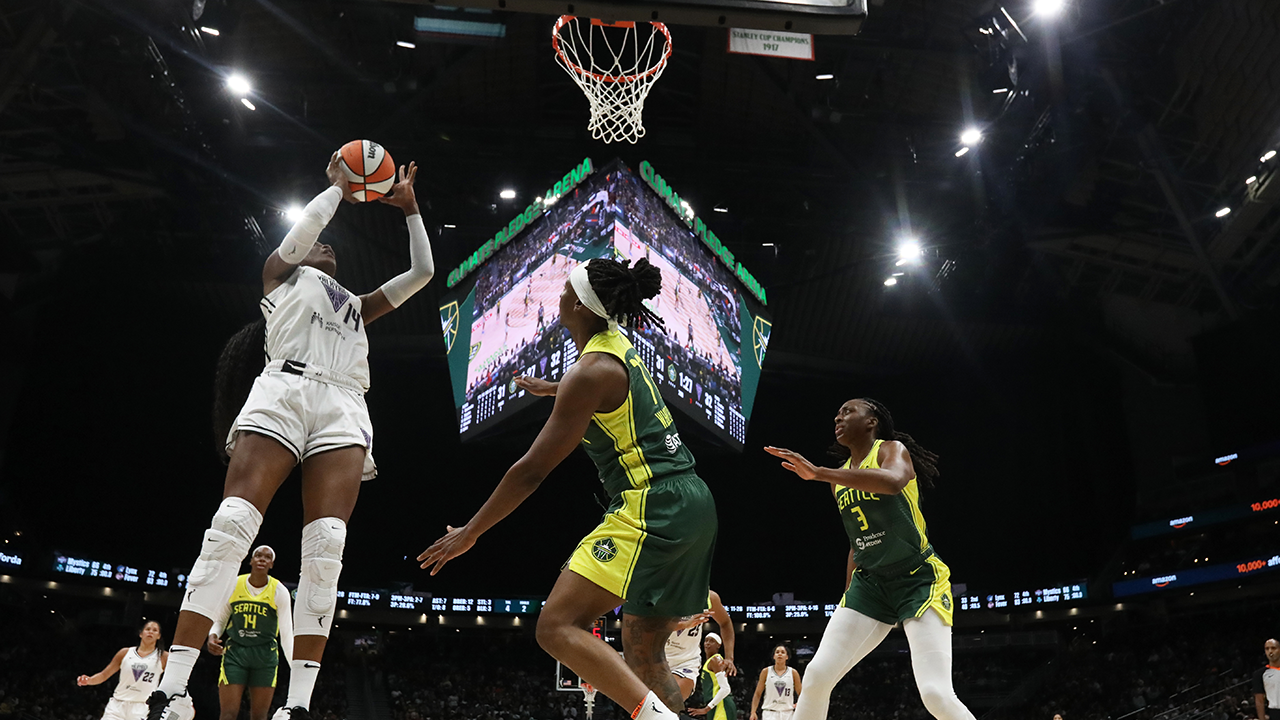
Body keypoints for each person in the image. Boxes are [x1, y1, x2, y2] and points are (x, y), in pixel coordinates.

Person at [147, 154, 435, 720]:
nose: (326, 246)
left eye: (331, 247)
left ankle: (297, 706)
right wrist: (339, 188)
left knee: (327, 550)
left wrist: (410, 209)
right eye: (317, 245)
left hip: (344, 403)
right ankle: (173, 688)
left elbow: (422, 272)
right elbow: (305, 231)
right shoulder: (280, 276)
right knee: (230, 529)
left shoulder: (358, 307)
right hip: (284, 388)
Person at [419, 257, 718, 720]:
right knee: (643, 648)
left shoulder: (590, 372)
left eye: (564, 291)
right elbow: (608, 388)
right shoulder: (615, 345)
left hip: (652, 504)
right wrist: (557, 388)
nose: (557, 296)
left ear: (579, 305)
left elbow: (531, 471)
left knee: (557, 625)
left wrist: (470, 532)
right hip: (693, 503)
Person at [764, 398, 974, 720]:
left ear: (872, 420)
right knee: (817, 676)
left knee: (936, 693)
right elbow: (856, 540)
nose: (838, 418)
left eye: (847, 411)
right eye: (836, 414)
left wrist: (818, 473)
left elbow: (892, 482)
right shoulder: (838, 479)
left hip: (918, 578)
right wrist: (849, 596)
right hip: (870, 585)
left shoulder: (891, 450)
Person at [206, 546, 294, 720]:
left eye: (267, 557)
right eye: (258, 555)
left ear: (271, 564)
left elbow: (286, 634)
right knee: (228, 714)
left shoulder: (279, 591)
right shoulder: (235, 584)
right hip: (236, 653)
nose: (262, 559)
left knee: (259, 716)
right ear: (251, 561)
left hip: (265, 656)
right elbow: (221, 619)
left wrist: (295, 668)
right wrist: (212, 635)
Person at [78, 621, 192, 720]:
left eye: (155, 630)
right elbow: (104, 675)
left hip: (143, 707)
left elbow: (175, 678)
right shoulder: (125, 653)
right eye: (148, 629)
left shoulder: (163, 656)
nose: (150, 632)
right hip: (117, 704)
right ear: (141, 633)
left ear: (159, 636)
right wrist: (89, 680)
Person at [665, 590, 736, 700]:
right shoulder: (661, 592)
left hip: (685, 661)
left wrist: (729, 658)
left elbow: (725, 623)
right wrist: (684, 624)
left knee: (672, 698)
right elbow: (649, 625)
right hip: (654, 655)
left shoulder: (709, 597)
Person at [689, 633, 733, 720]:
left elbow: (726, 689)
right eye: (706, 641)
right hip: (715, 705)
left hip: (721, 705)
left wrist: (707, 708)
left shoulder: (715, 660)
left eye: (712, 641)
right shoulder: (710, 661)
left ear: (718, 645)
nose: (707, 643)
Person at [750, 645, 801, 720]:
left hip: (788, 713)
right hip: (769, 713)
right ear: (774, 656)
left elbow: (801, 693)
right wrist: (753, 712)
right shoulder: (766, 672)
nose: (780, 654)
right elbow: (757, 693)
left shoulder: (793, 673)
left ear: (787, 657)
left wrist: (800, 704)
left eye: (782, 652)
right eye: (777, 652)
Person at [1255, 638, 1280, 720]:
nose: (1270, 651)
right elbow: (1259, 700)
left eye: (1273, 648)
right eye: (1267, 649)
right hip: (1275, 713)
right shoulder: (1260, 674)